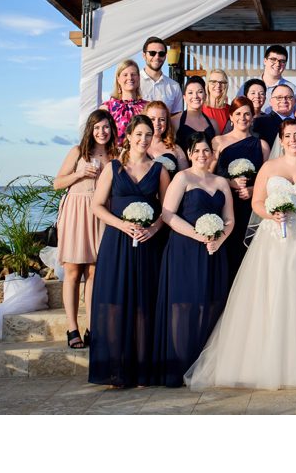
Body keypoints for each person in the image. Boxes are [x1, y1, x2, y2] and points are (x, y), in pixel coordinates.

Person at [186, 119, 296, 389]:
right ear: (281, 139)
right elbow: (257, 203)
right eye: (289, 136)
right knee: (274, 296)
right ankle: (268, 363)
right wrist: (272, 214)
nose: (294, 140)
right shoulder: (270, 167)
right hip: (275, 240)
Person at [88, 114, 171, 387]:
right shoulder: (113, 168)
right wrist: (122, 225)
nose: (144, 139)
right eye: (139, 134)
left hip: (148, 243)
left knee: (144, 305)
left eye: (148, 135)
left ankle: (143, 371)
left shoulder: (160, 170)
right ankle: (115, 370)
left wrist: (153, 229)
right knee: (115, 302)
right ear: (129, 135)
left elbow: (168, 211)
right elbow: (97, 206)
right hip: (117, 242)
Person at [153, 132, 235, 387]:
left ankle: (204, 366)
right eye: (197, 151)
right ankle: (179, 366)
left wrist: (219, 238)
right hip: (185, 249)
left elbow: (230, 218)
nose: (202, 155)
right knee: (184, 305)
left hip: (214, 249)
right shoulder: (182, 177)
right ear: (189, 154)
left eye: (206, 151)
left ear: (212, 154)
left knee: (211, 304)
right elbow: (167, 214)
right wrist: (198, 235)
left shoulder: (221, 182)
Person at [52, 109, 117, 350]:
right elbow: (57, 183)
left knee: (94, 272)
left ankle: (92, 325)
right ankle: (72, 328)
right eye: (97, 127)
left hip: (101, 212)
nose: (102, 132)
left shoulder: (115, 154)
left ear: (112, 129)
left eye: (106, 127)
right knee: (72, 271)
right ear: (90, 129)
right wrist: (80, 173)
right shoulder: (78, 152)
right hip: (77, 210)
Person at [212, 96, 270, 285]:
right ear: (231, 116)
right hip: (225, 205)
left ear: (253, 117)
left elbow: (269, 178)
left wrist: (253, 189)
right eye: (238, 114)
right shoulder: (218, 142)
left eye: (247, 114)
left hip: (250, 207)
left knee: (248, 253)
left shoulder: (261, 145)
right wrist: (231, 183)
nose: (243, 117)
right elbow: (207, 175)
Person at [103, 59, 147, 143]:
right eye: (125, 75)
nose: (130, 78)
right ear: (118, 79)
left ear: (138, 78)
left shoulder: (147, 107)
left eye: (133, 74)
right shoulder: (107, 107)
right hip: (115, 154)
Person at [171, 76, 220, 150]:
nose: (195, 96)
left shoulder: (213, 123)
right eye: (190, 93)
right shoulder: (175, 121)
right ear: (184, 97)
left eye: (200, 92)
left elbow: (217, 152)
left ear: (205, 96)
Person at [139, 36, 182, 114]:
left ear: (165, 56)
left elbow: (177, 117)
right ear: (144, 55)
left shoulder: (174, 86)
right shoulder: (133, 82)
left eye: (161, 54)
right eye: (152, 53)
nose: (157, 57)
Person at [144, 100, 188, 173]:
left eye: (162, 119)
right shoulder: (135, 147)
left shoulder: (176, 150)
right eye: (152, 119)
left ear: (167, 122)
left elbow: (186, 178)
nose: (157, 123)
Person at [259, 44, 296, 114]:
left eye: (282, 61)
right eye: (273, 59)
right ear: (265, 61)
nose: (277, 64)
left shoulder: (292, 89)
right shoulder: (250, 86)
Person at [203, 69, 231, 134]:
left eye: (222, 82)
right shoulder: (199, 109)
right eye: (213, 82)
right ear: (207, 85)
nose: (218, 85)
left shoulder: (231, 110)